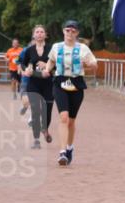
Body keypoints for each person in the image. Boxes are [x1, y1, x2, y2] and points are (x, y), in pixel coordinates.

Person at [46, 20, 98, 165]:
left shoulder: (83, 49)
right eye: (67, 30)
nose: (70, 33)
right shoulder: (56, 47)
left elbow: (94, 64)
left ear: (77, 33)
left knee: (71, 121)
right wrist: (46, 69)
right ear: (63, 31)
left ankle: (69, 147)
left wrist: (89, 64)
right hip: (60, 83)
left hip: (76, 84)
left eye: (73, 31)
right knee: (64, 117)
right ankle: (62, 152)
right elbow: (51, 60)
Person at [20, 25, 53, 148]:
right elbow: (22, 64)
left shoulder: (51, 49)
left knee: (48, 111)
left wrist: (47, 65)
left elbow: (57, 64)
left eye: (42, 32)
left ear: (45, 35)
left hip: (48, 83)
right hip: (33, 83)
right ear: (34, 35)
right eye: (37, 32)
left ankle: (45, 129)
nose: (39, 34)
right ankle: (36, 140)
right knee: (35, 111)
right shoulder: (29, 50)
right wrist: (26, 70)